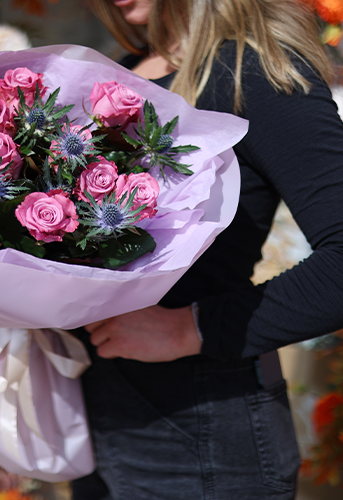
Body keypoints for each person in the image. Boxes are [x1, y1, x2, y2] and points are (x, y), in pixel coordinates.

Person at [70, 0, 343, 498]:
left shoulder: (255, 70)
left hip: (202, 435)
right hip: (100, 419)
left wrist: (190, 327)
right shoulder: (122, 73)